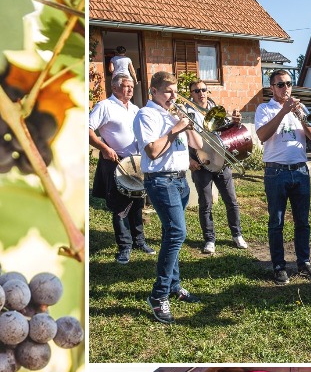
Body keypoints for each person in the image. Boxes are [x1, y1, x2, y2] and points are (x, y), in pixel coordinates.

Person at [135, 70, 201, 325]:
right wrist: (174, 130)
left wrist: (189, 125)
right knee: (177, 234)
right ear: (153, 92)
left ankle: (174, 286)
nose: (174, 96)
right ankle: (158, 294)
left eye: (175, 91)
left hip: (180, 180)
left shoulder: (175, 114)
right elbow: (152, 152)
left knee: (169, 233)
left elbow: (196, 145)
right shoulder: (146, 114)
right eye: (168, 91)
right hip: (161, 181)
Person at [254, 69, 311, 283]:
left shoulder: (301, 108)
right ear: (272, 88)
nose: (286, 88)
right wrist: (283, 112)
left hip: (300, 170)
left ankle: (304, 262)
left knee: (303, 221)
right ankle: (279, 266)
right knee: (277, 221)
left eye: (289, 84)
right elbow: (262, 135)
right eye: (280, 84)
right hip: (276, 171)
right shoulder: (264, 108)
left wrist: (300, 115)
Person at [89, 74, 151, 264]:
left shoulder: (135, 109)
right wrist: (105, 148)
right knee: (120, 206)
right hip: (116, 161)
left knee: (138, 203)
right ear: (115, 88)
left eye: (132, 86)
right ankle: (124, 246)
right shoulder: (104, 106)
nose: (130, 89)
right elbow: (87, 128)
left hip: (136, 162)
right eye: (126, 86)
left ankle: (139, 240)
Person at [184, 79, 246, 254]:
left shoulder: (216, 109)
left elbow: (226, 133)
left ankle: (237, 234)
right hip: (200, 163)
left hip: (221, 162)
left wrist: (235, 122)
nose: (201, 93)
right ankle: (209, 239)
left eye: (203, 90)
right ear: (191, 94)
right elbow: (183, 140)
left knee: (231, 201)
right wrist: (190, 160)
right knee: (206, 203)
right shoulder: (187, 112)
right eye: (196, 91)